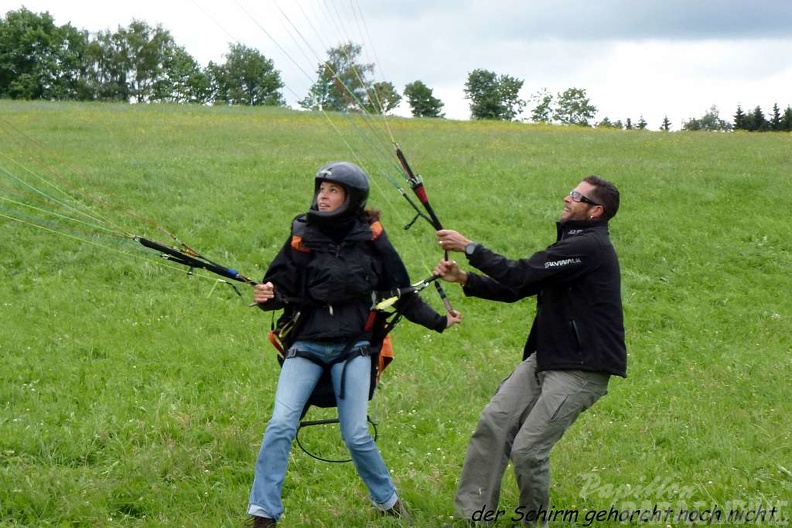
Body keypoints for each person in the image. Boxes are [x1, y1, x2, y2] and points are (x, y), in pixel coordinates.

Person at [247, 161, 462, 527]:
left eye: (332, 191)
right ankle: (263, 513)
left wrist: (440, 321)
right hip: (307, 344)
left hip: (355, 347)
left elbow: (401, 292)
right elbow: (278, 288)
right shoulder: (302, 234)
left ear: (351, 198)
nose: (323, 196)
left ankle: (388, 502)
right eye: (321, 189)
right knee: (281, 424)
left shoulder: (372, 238)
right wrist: (267, 295)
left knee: (357, 434)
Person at [434, 175, 626, 526]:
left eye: (576, 196)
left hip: (582, 368)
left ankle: (533, 522)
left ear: (596, 211)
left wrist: (471, 248)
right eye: (570, 192)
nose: (567, 199)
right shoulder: (572, 244)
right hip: (548, 357)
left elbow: (522, 274)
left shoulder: (589, 247)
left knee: (528, 451)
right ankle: (473, 517)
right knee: (494, 423)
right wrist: (465, 279)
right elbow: (518, 288)